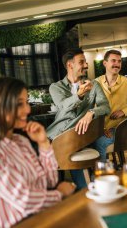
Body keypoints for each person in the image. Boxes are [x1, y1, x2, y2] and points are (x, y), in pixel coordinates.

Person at [0, 77, 76, 228]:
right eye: (19, 104)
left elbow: (48, 182)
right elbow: (24, 200)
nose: (28, 110)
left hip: (41, 218)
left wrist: (43, 144)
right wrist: (60, 194)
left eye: (27, 102)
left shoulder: (20, 141)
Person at [46, 48, 110, 189]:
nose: (86, 65)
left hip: (78, 136)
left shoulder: (94, 85)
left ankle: (92, 187)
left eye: (85, 62)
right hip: (57, 135)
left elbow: (105, 107)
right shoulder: (56, 87)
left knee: (92, 143)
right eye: (82, 62)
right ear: (70, 65)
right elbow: (63, 106)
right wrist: (79, 95)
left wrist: (91, 112)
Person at [93, 50, 127, 161]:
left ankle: (101, 174)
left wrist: (124, 111)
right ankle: (92, 174)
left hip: (119, 129)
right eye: (113, 61)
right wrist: (101, 128)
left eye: (119, 61)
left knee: (99, 143)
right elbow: (91, 108)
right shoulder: (96, 83)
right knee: (84, 142)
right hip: (100, 128)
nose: (117, 64)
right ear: (105, 63)